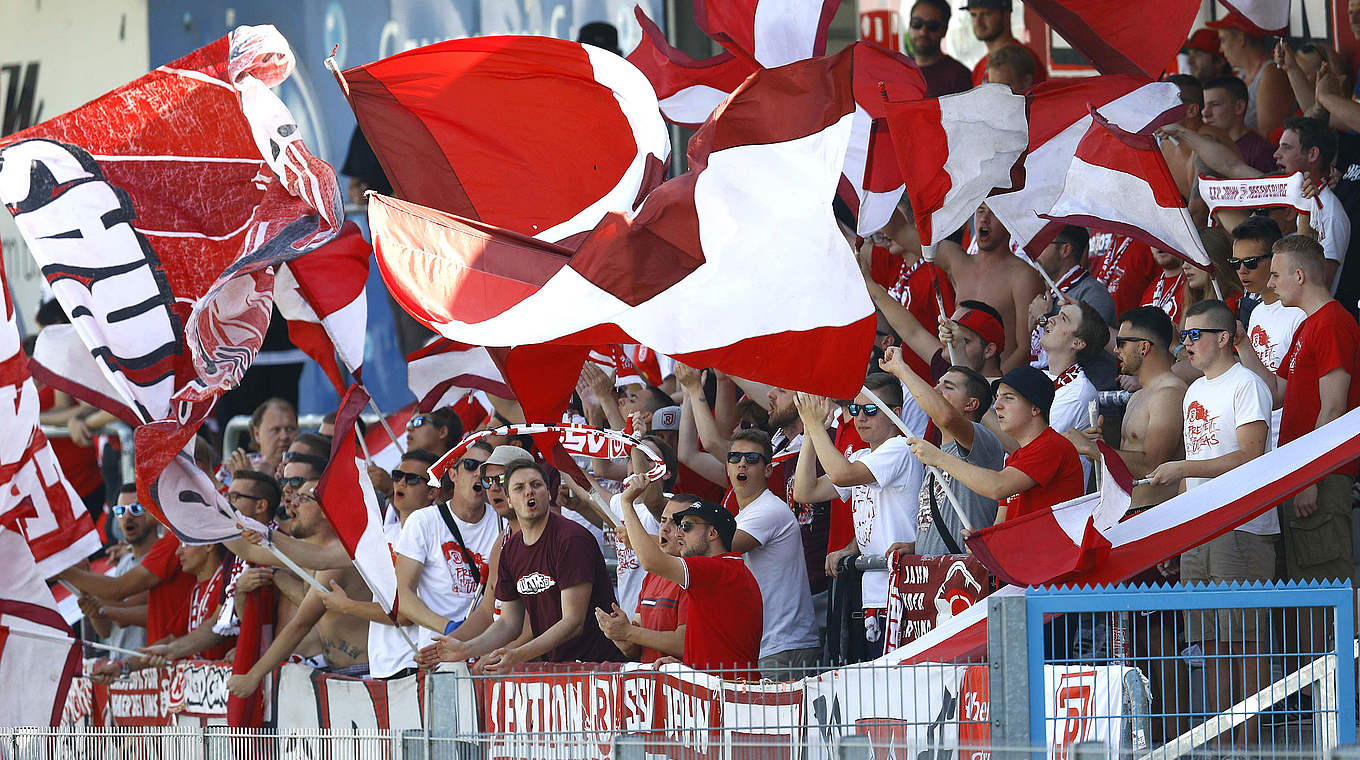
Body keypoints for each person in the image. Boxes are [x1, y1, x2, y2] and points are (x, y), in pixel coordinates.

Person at [1146, 299, 1275, 746]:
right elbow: (1198, 464)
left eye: (1194, 334)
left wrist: (1182, 469)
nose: (1187, 343)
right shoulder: (1195, 390)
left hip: (1241, 525)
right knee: (1212, 642)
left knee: (1244, 641)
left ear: (1224, 337)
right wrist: (1180, 533)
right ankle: (1223, 739)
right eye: (1183, 335)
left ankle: (1251, 741)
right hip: (1201, 527)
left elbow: (1250, 455)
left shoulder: (1247, 384)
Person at [422, 462, 623, 669]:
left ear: (548, 493)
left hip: (599, 669)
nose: (529, 492)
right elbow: (508, 623)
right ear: (509, 500)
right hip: (556, 671)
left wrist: (517, 654)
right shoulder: (510, 549)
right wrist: (466, 648)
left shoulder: (571, 539)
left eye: (536, 485)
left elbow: (573, 623)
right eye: (519, 488)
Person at [1241, 236, 1360, 585]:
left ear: (1299, 275)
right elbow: (1278, 392)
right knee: (1304, 586)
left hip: (1321, 476)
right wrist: (1242, 344)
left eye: (1275, 275)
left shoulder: (1332, 323)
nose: (1270, 283)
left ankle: (1344, 643)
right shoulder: (1309, 324)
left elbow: (1334, 408)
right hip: (1301, 470)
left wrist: (1312, 478)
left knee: (1323, 586)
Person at [792, 375, 922, 655]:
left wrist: (815, 426)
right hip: (874, 591)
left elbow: (842, 474)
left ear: (895, 413)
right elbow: (805, 492)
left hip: (902, 591)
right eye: (855, 409)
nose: (861, 417)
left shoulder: (900, 448)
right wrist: (810, 434)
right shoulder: (863, 456)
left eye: (871, 409)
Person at [226, 479, 374, 698]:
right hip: (341, 672)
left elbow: (301, 623)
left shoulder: (336, 557)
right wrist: (201, 524)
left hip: (364, 674)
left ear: (327, 510)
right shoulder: (314, 551)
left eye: (303, 499)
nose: (292, 503)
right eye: (294, 497)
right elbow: (249, 551)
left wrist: (253, 677)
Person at [615, 485, 763, 678]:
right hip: (727, 689)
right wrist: (689, 664)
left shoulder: (717, 569)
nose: (679, 534)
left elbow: (650, 561)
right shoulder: (724, 570)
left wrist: (626, 503)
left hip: (733, 696)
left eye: (686, 527)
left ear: (712, 533)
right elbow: (713, 641)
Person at [906, 366, 1084, 524]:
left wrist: (939, 458)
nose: (997, 406)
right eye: (997, 398)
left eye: (1008, 398)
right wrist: (982, 541)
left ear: (1035, 408)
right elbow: (1000, 525)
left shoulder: (1052, 446)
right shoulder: (1015, 458)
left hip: (1050, 559)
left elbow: (997, 487)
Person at [879, 347, 1003, 555]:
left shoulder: (982, 440)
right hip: (935, 579)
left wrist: (901, 369)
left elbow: (946, 416)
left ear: (971, 404)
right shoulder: (935, 453)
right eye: (937, 384)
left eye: (948, 387)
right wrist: (917, 546)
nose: (935, 391)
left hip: (965, 579)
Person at [1070, 307, 1188, 510]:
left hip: (1156, 513)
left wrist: (1095, 450)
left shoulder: (1169, 394)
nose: (1116, 350)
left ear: (1143, 347)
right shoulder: (1141, 395)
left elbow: (1153, 466)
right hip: (1131, 511)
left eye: (1121, 343)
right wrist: (1099, 446)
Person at [725, 430, 819, 678]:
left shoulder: (768, 509)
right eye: (735, 457)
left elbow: (718, 547)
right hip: (768, 646)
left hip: (783, 647)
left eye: (753, 458)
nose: (742, 463)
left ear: (768, 470)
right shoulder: (745, 514)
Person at [935, 205, 1045, 370]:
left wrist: (994, 386)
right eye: (980, 210)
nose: (984, 219)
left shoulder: (1023, 276)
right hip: (958, 379)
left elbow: (1025, 349)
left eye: (994, 212)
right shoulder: (959, 262)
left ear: (1008, 221)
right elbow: (901, 231)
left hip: (996, 386)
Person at [1232, 217, 1305, 449]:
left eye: (1251, 262)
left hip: (1289, 441)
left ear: (1274, 261)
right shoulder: (1257, 313)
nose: (1242, 270)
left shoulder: (1299, 314)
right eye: (1235, 262)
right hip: (1257, 440)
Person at [594, 496, 691, 663]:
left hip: (683, 685)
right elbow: (635, 649)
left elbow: (684, 643)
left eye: (675, 523)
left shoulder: (692, 577)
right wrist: (621, 637)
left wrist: (629, 632)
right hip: (649, 685)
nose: (665, 528)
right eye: (662, 520)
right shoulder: (652, 576)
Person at [80, 485, 155, 680]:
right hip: (118, 671)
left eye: (136, 509)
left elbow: (123, 612)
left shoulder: (161, 559)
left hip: (147, 672)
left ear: (153, 512)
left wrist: (80, 578)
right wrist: (86, 593)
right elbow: (105, 630)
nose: (127, 517)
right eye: (121, 511)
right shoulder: (123, 563)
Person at [1207, 12, 1294, 137]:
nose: (1221, 49)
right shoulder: (1242, 75)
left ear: (1241, 39)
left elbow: (1269, 136)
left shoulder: (1270, 73)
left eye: (1223, 40)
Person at [1031, 225, 1116, 328]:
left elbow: (1090, 342)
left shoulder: (1094, 294)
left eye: (1043, 244)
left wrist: (1042, 318)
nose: (1036, 252)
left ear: (1065, 250)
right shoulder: (1050, 294)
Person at [1201, 76, 1278, 174]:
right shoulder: (1205, 147)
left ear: (1239, 107)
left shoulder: (1260, 152)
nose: (1205, 113)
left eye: (1215, 104)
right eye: (1203, 106)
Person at [963, 0, 1046, 87]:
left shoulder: (1025, 59)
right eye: (973, 15)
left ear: (1006, 15)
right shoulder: (979, 67)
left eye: (986, 14)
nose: (978, 22)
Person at [907, 0, 971, 96]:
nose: (923, 32)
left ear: (944, 30)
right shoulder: (900, 70)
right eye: (917, 23)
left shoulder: (959, 76)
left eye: (932, 26)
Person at [1140, 249, 1189, 326]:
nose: (1160, 244)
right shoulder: (1154, 284)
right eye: (1155, 239)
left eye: (1168, 237)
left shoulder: (1193, 285)